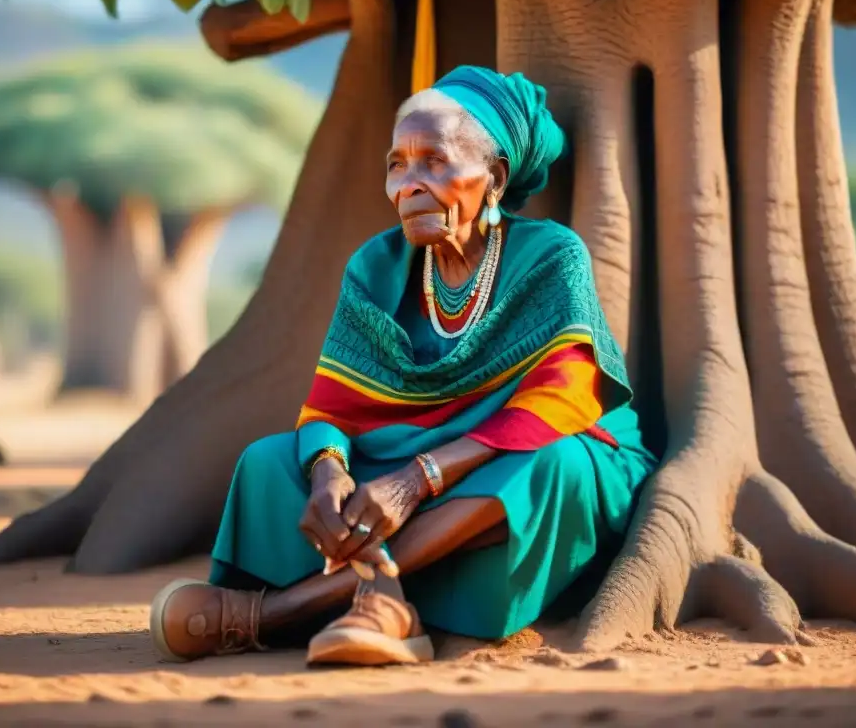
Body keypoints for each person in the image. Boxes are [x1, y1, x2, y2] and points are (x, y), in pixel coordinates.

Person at [149, 65, 657, 667]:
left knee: (553, 467)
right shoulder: (374, 266)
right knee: (267, 461)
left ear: (492, 178)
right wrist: (328, 475)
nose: (409, 185)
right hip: (418, 460)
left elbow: (563, 395)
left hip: (527, 453)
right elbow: (332, 406)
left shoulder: (550, 255)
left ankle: (281, 611)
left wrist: (417, 480)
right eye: (397, 164)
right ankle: (386, 598)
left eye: (434, 162)